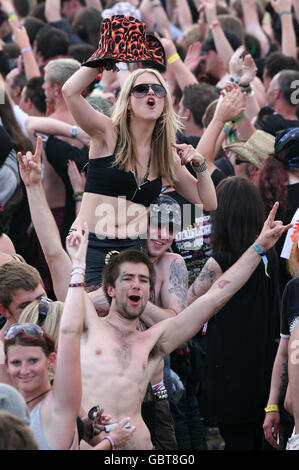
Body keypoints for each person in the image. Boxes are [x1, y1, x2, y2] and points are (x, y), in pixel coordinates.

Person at [77, 199, 290, 450]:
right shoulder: (88, 325)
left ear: (150, 292)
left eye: (144, 281)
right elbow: (55, 256)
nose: (136, 285)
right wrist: (35, 186)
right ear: (110, 289)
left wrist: (258, 247)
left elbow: (215, 297)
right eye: (129, 278)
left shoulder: (154, 341)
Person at [61, 14, 218, 288]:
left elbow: (208, 203)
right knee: (88, 324)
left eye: (158, 90)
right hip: (91, 247)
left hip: (133, 253)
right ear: (128, 101)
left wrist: (201, 166)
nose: (151, 93)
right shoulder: (107, 133)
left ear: (165, 102)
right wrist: (104, 57)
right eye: (141, 89)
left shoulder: (164, 155)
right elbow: (70, 91)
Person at [187, 176, 282, 450]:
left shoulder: (219, 262)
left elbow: (186, 306)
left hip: (229, 371)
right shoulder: (269, 254)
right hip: (264, 367)